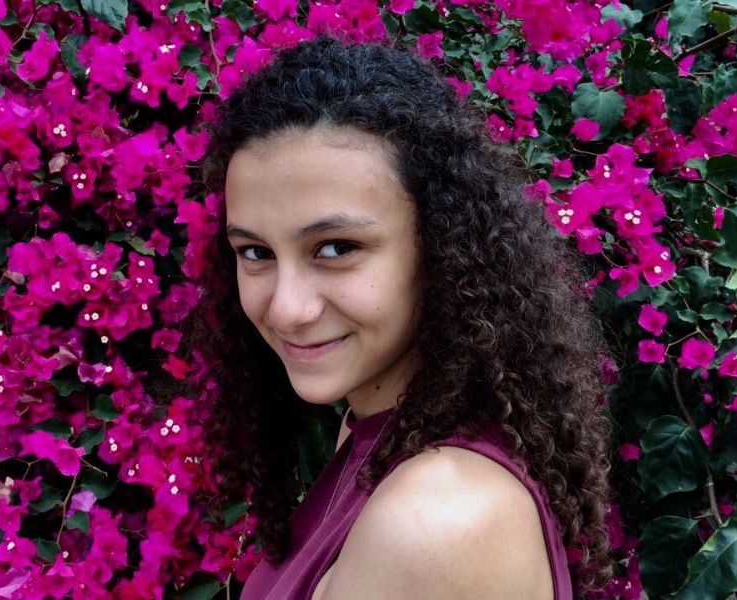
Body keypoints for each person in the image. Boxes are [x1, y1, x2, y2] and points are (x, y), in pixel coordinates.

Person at [194, 34, 613, 599]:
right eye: (256, 253)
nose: (288, 309)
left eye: (336, 248)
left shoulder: (435, 519)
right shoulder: (382, 426)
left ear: (442, 247)